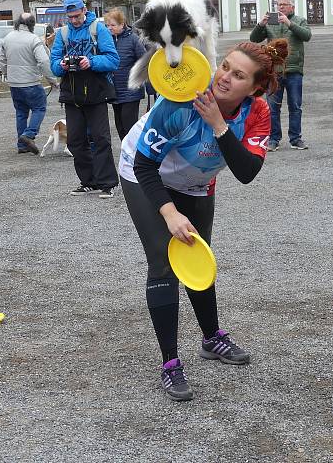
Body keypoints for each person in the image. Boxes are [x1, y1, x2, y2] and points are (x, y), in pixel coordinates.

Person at [118, 39, 287, 402]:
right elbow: (145, 165)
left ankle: (211, 339)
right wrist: (169, 212)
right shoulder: (180, 103)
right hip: (144, 173)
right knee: (164, 262)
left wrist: (218, 125)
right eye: (225, 66)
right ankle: (169, 363)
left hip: (195, 182)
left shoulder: (257, 111)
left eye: (238, 75)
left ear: (254, 87)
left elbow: (247, 172)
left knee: (198, 257)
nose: (224, 77)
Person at [50, 0, 120, 198]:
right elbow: (53, 63)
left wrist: (91, 62)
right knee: (75, 141)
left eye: (77, 16)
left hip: (96, 93)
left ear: (84, 11)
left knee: (101, 139)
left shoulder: (98, 29)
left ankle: (107, 183)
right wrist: (61, 66)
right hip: (72, 95)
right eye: (70, 17)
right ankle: (88, 181)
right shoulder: (62, 34)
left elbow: (113, 60)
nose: (74, 20)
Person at [249, 0, 311, 151]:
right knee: (272, 107)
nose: (280, 7)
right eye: (278, 5)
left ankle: (295, 139)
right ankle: (273, 139)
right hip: (274, 72)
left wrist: (290, 24)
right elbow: (254, 38)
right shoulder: (271, 22)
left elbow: (307, 36)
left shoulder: (300, 21)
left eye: (284, 5)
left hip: (294, 70)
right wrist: (261, 24)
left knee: (295, 106)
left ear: (292, 7)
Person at [0, 12, 57, 154]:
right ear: (32, 24)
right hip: (31, 82)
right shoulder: (34, 40)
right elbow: (43, 61)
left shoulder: (7, 38)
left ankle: (22, 145)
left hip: (14, 84)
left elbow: (2, 60)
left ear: (18, 22)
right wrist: (52, 80)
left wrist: (8, 74)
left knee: (21, 112)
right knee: (39, 108)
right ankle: (29, 135)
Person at [104, 7, 147, 140]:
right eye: (107, 25)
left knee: (130, 127)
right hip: (114, 91)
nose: (110, 28)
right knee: (120, 128)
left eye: (113, 25)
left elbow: (144, 61)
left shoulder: (134, 39)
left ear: (122, 24)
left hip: (131, 91)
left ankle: (135, 156)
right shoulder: (107, 40)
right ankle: (126, 155)